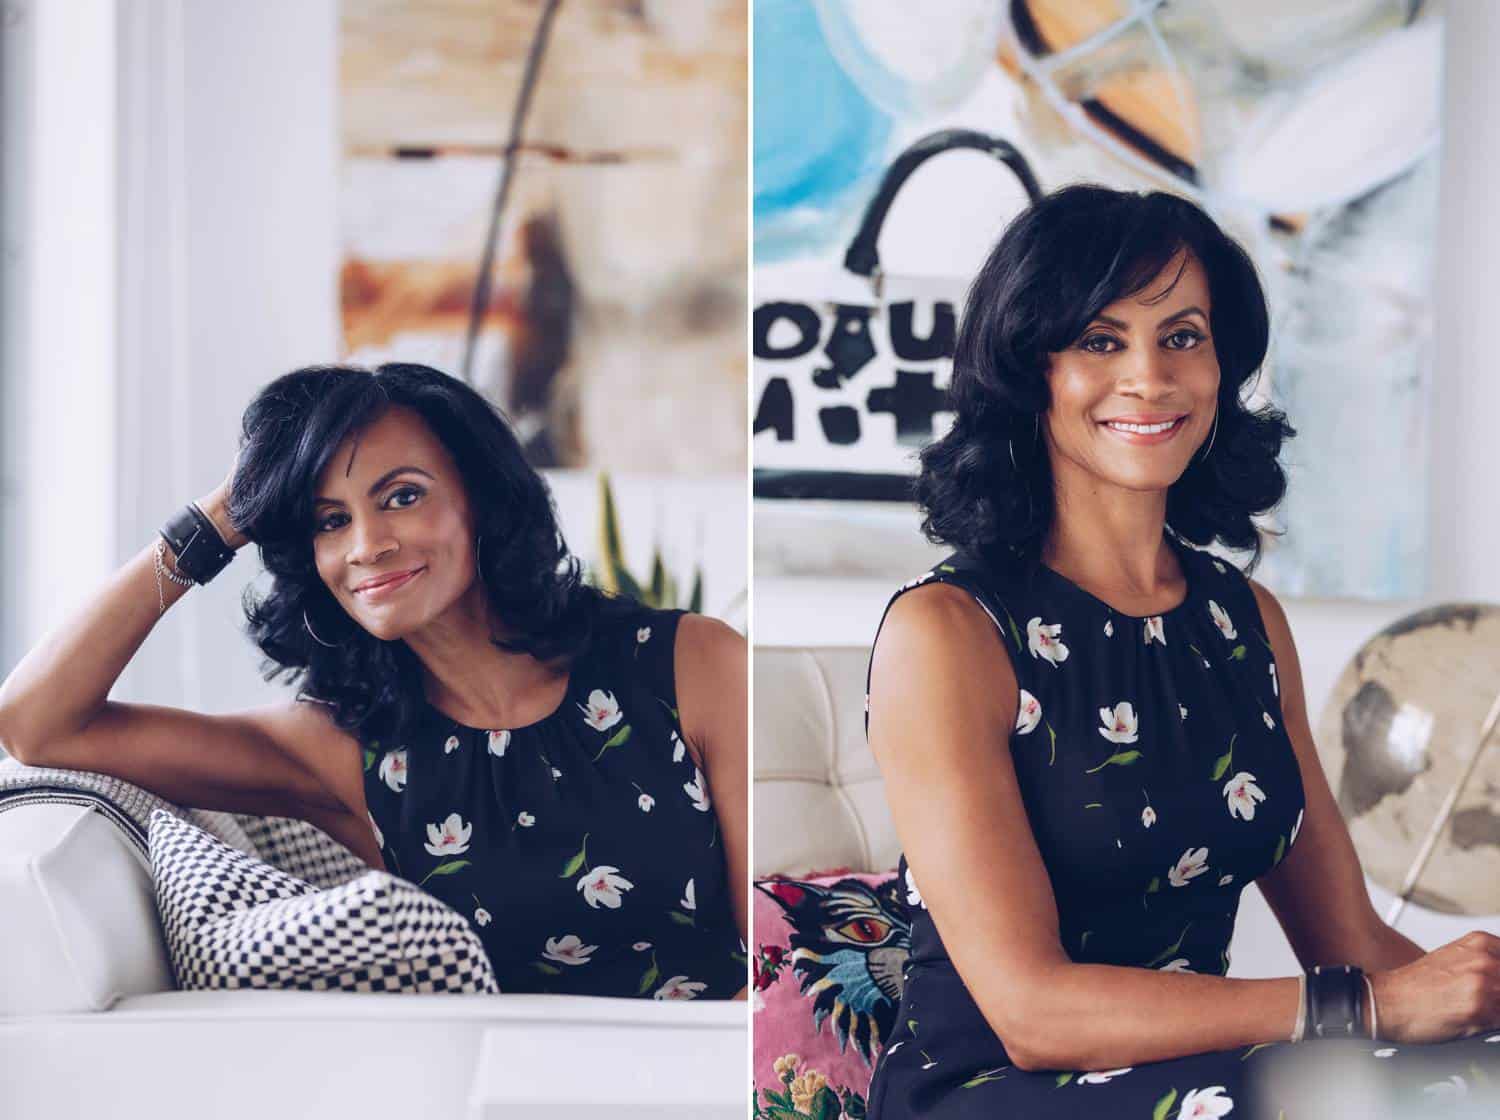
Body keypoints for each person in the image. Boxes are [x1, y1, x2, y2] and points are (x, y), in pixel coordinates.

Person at [863, 186, 1500, 1116]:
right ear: (1028, 368)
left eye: (1183, 336)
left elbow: (1352, 942)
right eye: (1099, 340)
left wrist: (1467, 1003)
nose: (1150, 377)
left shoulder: (1244, 619)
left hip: (1223, 1071)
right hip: (1000, 1086)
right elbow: (1032, 1012)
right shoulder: (949, 633)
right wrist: (1363, 1010)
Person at [0, 362, 747, 1000]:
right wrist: (223, 517)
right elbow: (38, 723)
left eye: (402, 496)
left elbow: (769, 953)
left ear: (480, 498)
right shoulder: (343, 750)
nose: (367, 546)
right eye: (329, 520)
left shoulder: (692, 665)